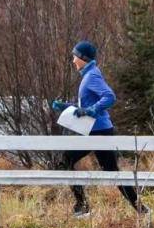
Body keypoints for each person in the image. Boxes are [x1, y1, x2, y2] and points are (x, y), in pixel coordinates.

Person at [51, 40, 148, 218]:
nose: (73, 60)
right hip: (96, 130)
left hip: (98, 131)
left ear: (83, 58)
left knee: (66, 160)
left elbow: (109, 97)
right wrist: (65, 106)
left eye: (75, 57)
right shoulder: (89, 75)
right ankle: (141, 210)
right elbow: (85, 106)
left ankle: (83, 206)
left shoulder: (92, 76)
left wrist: (92, 110)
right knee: (111, 172)